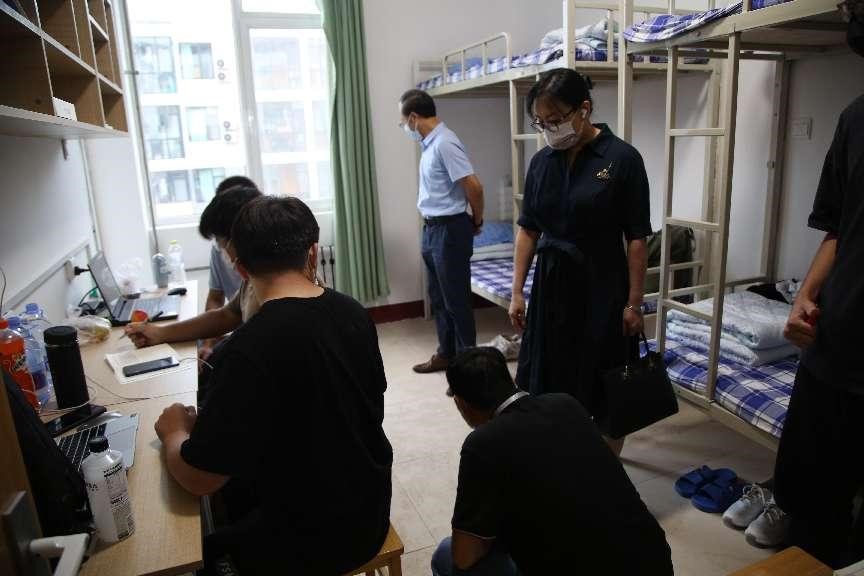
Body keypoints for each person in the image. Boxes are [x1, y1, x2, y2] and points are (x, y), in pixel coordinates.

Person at [154, 196, 393, 575]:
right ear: (313, 253)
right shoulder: (354, 313)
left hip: (312, 544)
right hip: (369, 512)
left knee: (196, 547)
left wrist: (173, 432)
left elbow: (199, 480)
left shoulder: (246, 350)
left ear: (241, 269)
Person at [431, 347, 673, 576]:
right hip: (654, 561)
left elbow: (464, 556)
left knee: (445, 555)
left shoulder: (481, 444)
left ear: (461, 404)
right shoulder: (566, 403)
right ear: (511, 380)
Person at [509, 69, 650, 455]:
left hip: (602, 286)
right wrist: (517, 291)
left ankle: (604, 467)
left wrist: (634, 303)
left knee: (604, 381)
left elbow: (637, 238)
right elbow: (528, 230)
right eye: (541, 122)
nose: (549, 129)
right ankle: (561, 456)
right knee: (549, 376)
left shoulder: (622, 159)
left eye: (555, 119)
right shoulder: (541, 163)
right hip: (551, 286)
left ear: (583, 109)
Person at [773, 2, 864, 567]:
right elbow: (837, 226)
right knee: (810, 504)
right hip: (836, 345)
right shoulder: (856, 118)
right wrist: (806, 295)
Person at [399, 89, 485, 374]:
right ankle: (446, 355)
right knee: (438, 298)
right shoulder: (430, 145)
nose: (404, 127)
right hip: (432, 229)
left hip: (450, 229)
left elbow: (474, 186)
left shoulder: (446, 143)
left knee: (456, 302)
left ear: (413, 117)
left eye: (403, 121)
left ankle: (468, 370)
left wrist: (477, 220)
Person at [125, 185, 262, 352]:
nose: (222, 251)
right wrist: (159, 333)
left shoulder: (272, 290)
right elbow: (226, 315)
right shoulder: (252, 280)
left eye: (220, 243)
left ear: (238, 238)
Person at [199, 175, 257, 363]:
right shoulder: (249, 284)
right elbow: (223, 310)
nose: (226, 255)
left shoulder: (263, 282)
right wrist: (208, 344)